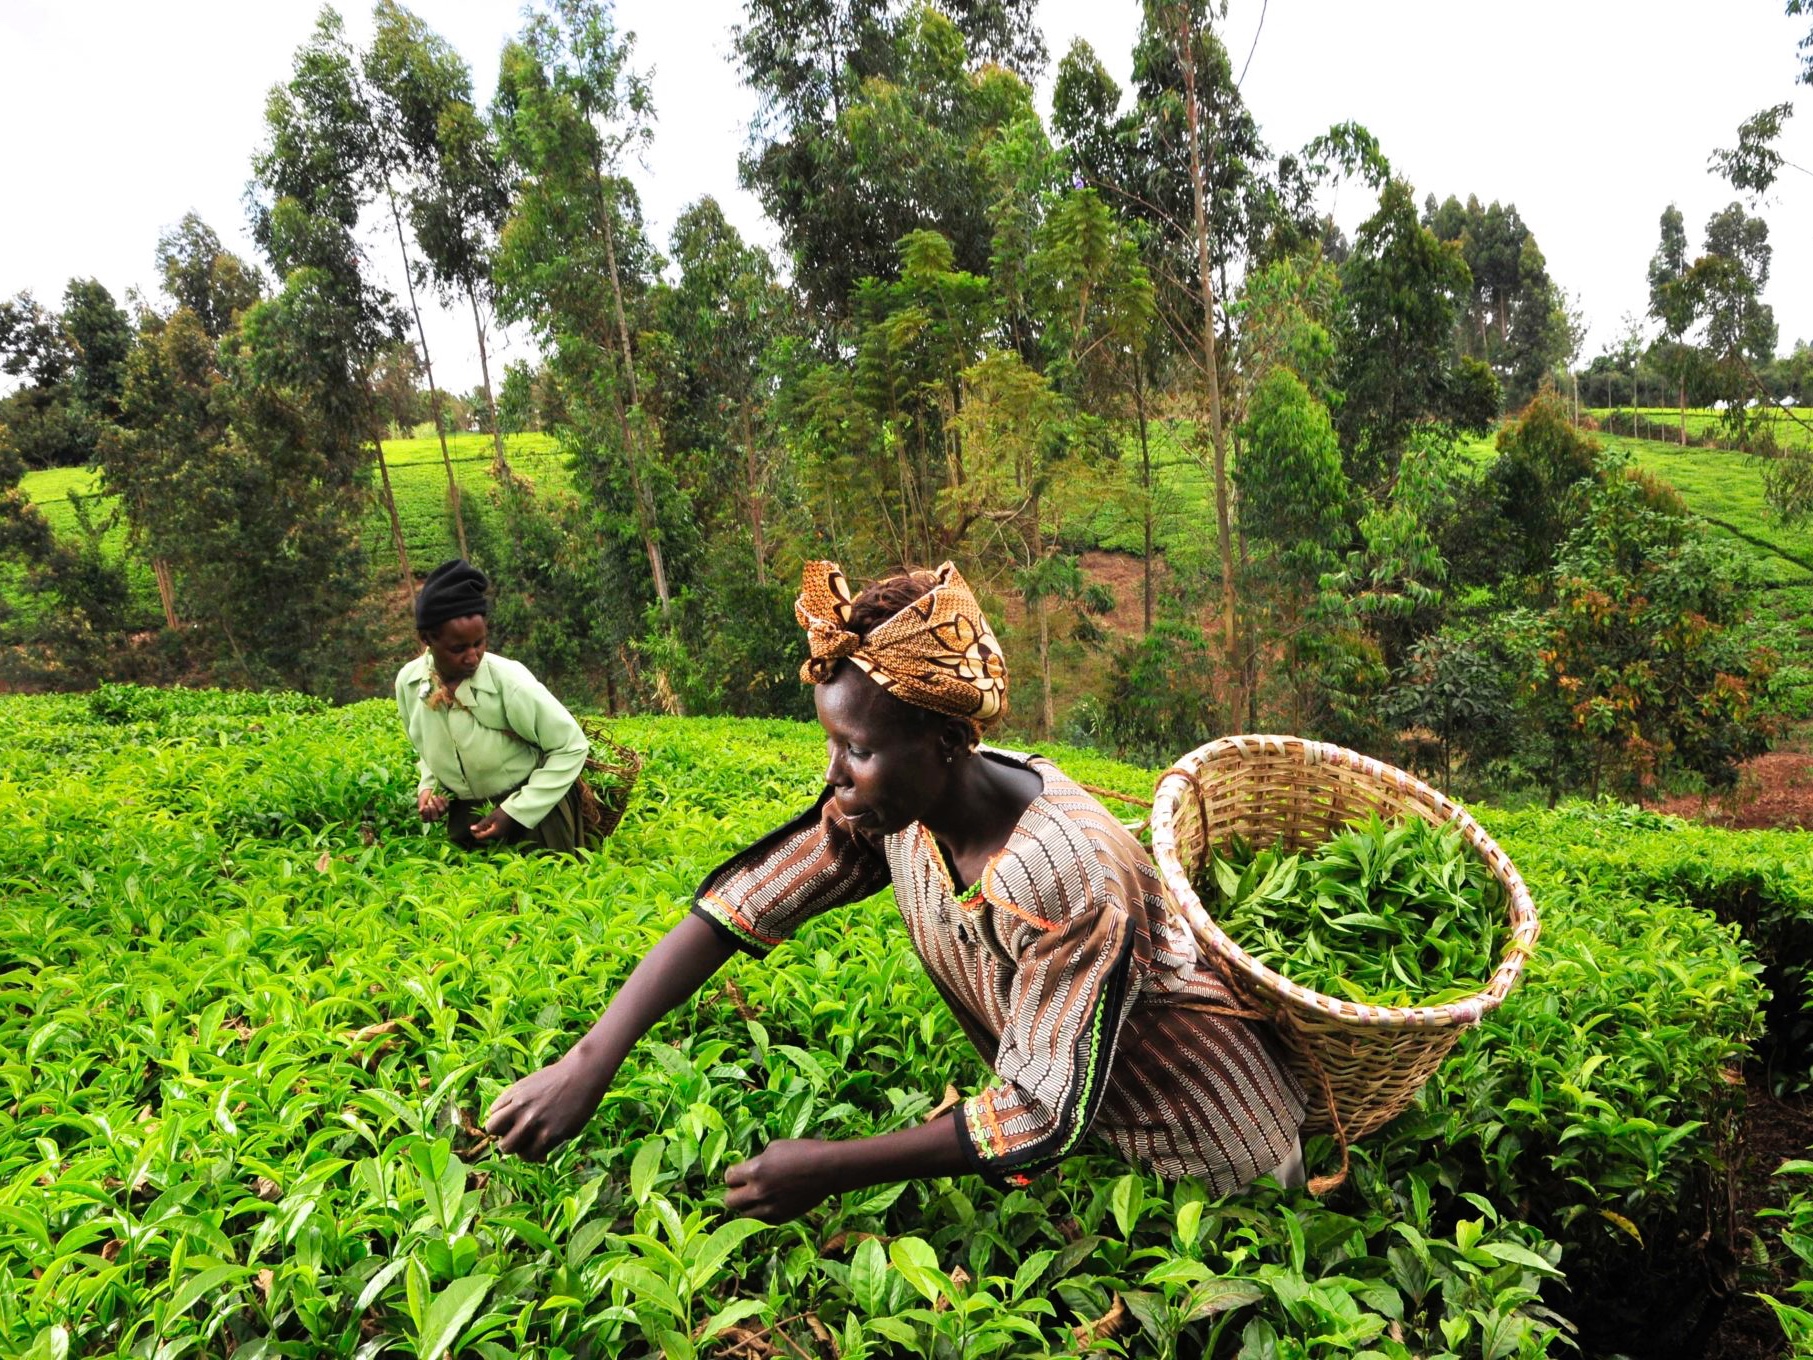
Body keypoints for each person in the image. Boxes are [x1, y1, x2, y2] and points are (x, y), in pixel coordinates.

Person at [484, 560, 1306, 1218]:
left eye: (856, 751)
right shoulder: (897, 812)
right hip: (1098, 1142)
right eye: (831, 745)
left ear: (945, 741)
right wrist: (589, 1059)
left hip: (1213, 1156)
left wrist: (829, 1168)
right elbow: (750, 901)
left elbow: (1036, 1114)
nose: (835, 778)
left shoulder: (1065, 875)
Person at [395, 558, 597, 855]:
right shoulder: (410, 684)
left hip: (535, 818)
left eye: (479, 643)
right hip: (468, 820)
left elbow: (572, 746)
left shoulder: (509, 681)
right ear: (427, 639)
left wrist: (516, 811)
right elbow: (426, 748)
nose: (473, 656)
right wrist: (429, 790)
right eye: (458, 648)